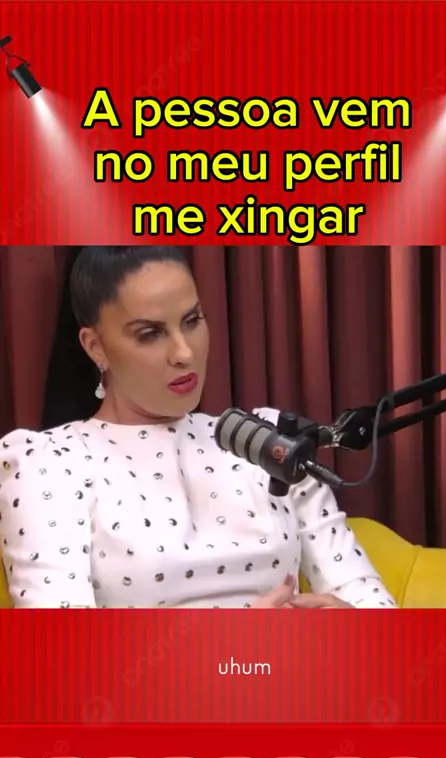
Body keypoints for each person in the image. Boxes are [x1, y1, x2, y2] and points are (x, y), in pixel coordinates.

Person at [0, 246, 396, 609]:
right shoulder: (48, 463)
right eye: (150, 334)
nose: (184, 352)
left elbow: (374, 606)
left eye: (192, 321)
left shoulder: (269, 440)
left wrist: (347, 626)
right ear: (95, 346)